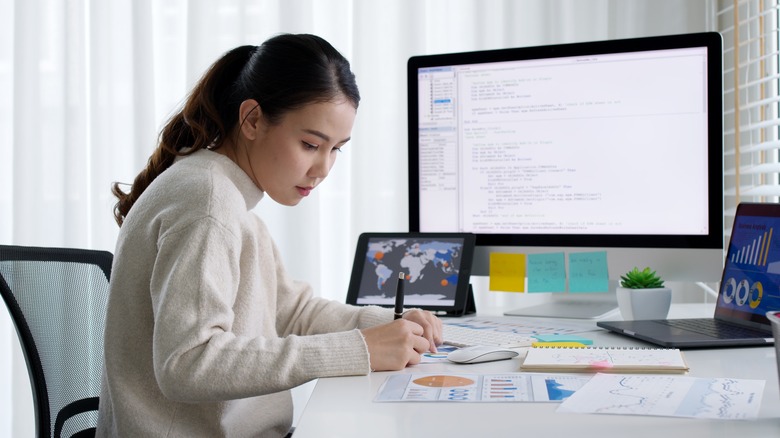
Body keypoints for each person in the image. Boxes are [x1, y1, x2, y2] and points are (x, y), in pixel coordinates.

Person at [96, 33, 443, 437]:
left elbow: (292, 312)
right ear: (253, 119)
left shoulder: (224, 194)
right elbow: (188, 362)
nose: (324, 168)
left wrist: (389, 325)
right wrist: (360, 349)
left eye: (336, 149)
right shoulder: (208, 203)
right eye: (311, 144)